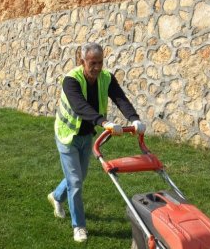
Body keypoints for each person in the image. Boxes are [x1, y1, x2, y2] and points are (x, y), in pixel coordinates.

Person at [47, 42, 146, 243]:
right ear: (82, 61)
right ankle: (79, 226)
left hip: (87, 135)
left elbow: (120, 98)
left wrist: (134, 118)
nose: (98, 67)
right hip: (67, 135)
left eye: (100, 62)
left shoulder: (106, 78)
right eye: (93, 63)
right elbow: (80, 106)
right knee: (75, 181)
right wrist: (104, 122)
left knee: (79, 177)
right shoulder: (71, 81)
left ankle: (57, 196)